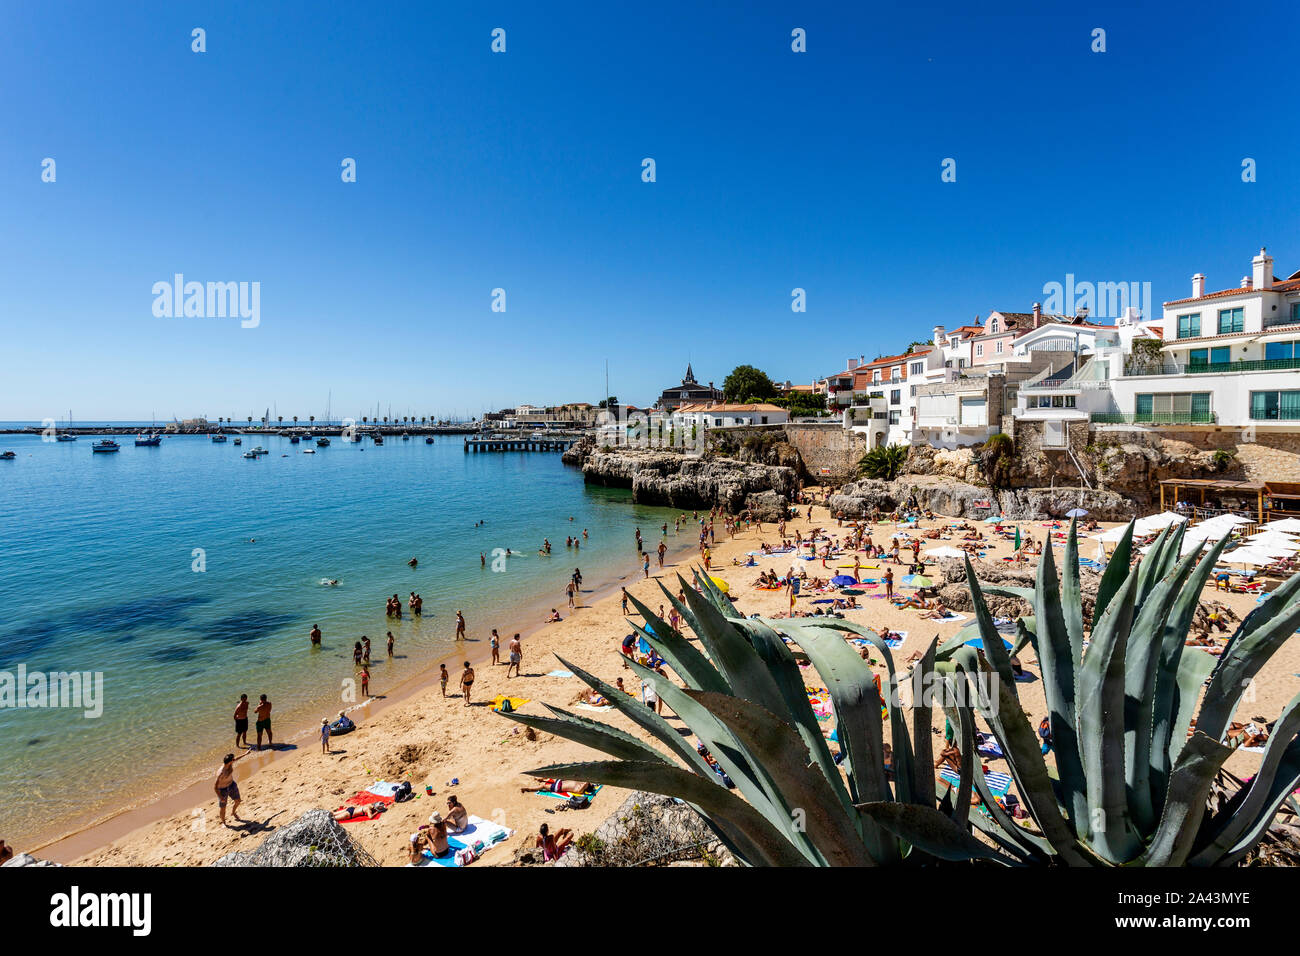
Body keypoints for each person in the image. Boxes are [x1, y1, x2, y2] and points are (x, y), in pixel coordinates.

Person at [214, 750, 254, 826]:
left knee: (238, 801)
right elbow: (215, 787)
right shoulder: (221, 773)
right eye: (233, 759)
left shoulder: (230, 764)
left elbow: (237, 759)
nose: (234, 760)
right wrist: (220, 797)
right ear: (230, 762)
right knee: (223, 808)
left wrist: (245, 754)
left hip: (232, 785)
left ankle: (233, 812)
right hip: (222, 790)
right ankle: (224, 823)